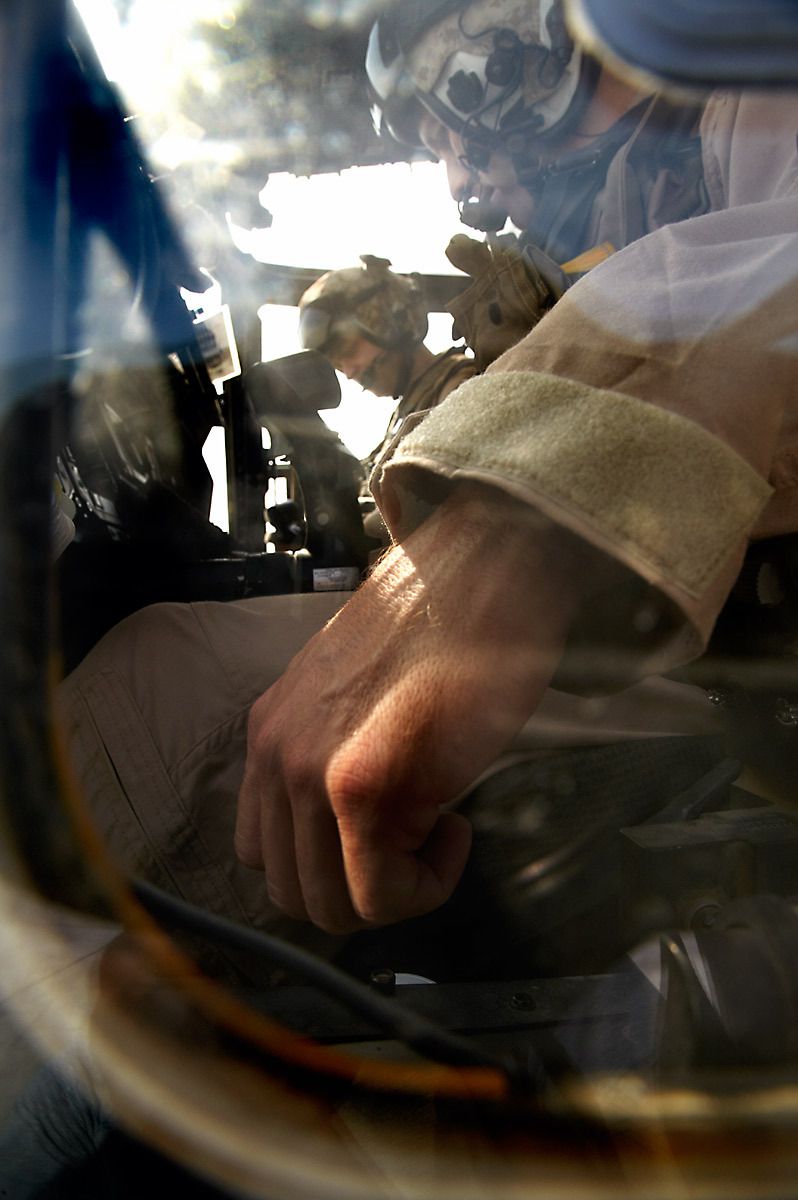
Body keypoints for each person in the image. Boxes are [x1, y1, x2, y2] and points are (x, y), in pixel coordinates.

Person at [55, 9, 797, 946]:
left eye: (450, 135)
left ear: (518, 54)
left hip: (734, 665)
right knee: (164, 663)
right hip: (707, 643)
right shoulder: (660, 193)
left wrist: (509, 530)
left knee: (169, 702)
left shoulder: (761, 90)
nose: (462, 188)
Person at [366, 0, 709, 369]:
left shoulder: (726, 133)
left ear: (506, 67)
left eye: (443, 139)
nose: (456, 184)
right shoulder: (610, 212)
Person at [297, 253, 476, 467]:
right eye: (337, 364)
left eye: (349, 350)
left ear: (393, 325)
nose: (349, 372)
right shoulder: (414, 404)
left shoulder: (461, 390)